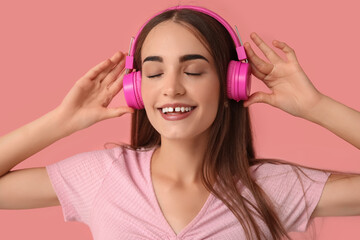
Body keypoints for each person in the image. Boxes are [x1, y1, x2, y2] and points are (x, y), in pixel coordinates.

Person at [0, 5, 359, 240]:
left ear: (230, 84)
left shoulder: (270, 187)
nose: (171, 88)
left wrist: (316, 106)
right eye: (154, 73)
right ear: (137, 90)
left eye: (193, 71)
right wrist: (61, 122)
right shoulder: (104, 175)